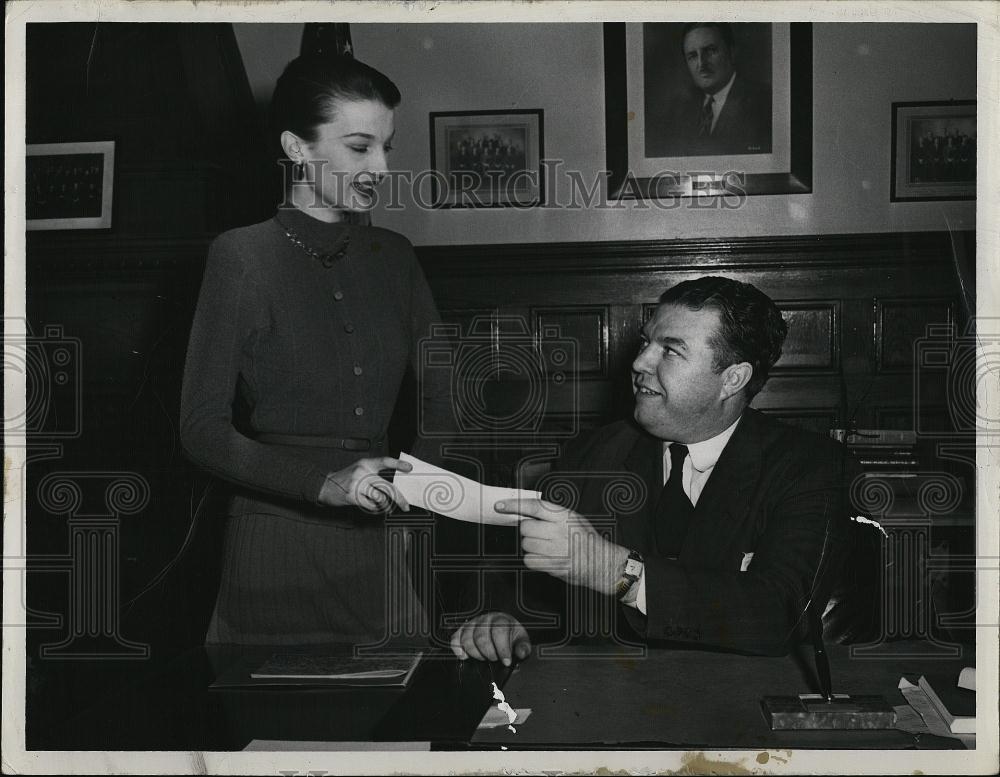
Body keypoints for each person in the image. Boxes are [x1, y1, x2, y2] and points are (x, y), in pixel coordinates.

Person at [180, 55, 453, 646]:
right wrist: (323, 484)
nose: (381, 167)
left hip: (384, 550)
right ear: (297, 149)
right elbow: (201, 429)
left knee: (400, 728)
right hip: (275, 550)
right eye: (359, 147)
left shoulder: (396, 256)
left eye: (387, 145)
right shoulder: (241, 257)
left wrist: (411, 481)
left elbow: (444, 392)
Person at [451, 277, 863, 664]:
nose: (640, 362)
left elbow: (782, 613)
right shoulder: (591, 454)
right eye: (646, 342)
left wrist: (619, 573)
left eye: (670, 350)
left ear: (732, 379)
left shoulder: (810, 466)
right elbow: (543, 598)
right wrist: (508, 623)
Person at [648, 23, 772, 157]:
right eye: (693, 56)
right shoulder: (679, 111)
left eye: (711, 51)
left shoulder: (766, 102)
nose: (701, 65)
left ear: (731, 52)